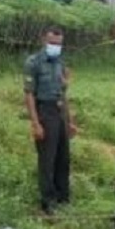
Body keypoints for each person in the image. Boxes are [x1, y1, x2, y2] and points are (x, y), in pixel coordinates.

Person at [24, 27, 75, 214]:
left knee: (64, 158)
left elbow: (64, 93)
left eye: (59, 44)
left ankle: (63, 197)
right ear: (43, 40)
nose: (55, 47)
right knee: (47, 159)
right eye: (52, 43)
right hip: (44, 111)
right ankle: (47, 201)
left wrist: (69, 121)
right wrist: (35, 123)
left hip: (60, 111)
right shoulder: (33, 63)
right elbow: (29, 95)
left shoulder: (60, 63)